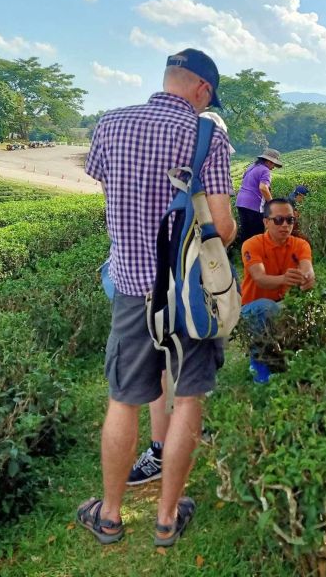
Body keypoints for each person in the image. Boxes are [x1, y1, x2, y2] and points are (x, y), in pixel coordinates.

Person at [77, 48, 236, 548]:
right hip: (188, 294)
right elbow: (226, 227)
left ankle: (110, 516)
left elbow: (107, 183)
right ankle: (167, 518)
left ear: (168, 79)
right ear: (202, 91)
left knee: (123, 399)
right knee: (187, 394)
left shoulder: (111, 124)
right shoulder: (207, 133)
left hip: (131, 285)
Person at [125, 109, 236, 488]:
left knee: (160, 362)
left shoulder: (141, 156)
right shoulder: (205, 163)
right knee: (183, 372)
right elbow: (221, 231)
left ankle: (167, 443)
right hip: (188, 287)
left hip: (140, 283)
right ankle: (166, 449)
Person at [240, 198, 315, 382]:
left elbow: (307, 268)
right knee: (266, 308)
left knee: (314, 303)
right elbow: (260, 278)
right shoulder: (251, 244)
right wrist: (284, 279)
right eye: (278, 220)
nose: (285, 225)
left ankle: (294, 357)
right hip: (252, 308)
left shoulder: (300, 245)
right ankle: (258, 364)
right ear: (266, 222)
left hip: (283, 304)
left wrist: (307, 278)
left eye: (289, 220)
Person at [235, 148, 283, 247]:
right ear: (269, 161)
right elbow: (263, 188)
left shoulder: (252, 166)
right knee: (256, 233)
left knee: (246, 231)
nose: (273, 167)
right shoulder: (265, 170)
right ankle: (256, 256)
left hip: (241, 202)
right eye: (273, 164)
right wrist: (271, 203)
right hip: (253, 204)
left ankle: (245, 256)